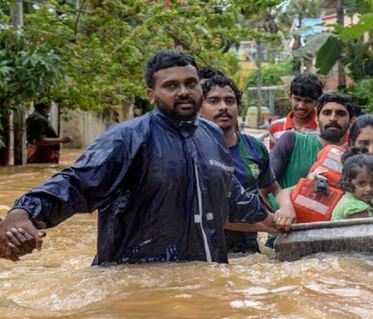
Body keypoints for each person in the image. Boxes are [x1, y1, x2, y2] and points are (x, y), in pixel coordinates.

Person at [0, 50, 286, 264]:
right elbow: (76, 183)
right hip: (136, 282)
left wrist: (274, 220)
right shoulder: (128, 139)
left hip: (204, 280)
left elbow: (230, 197)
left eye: (190, 83)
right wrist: (23, 213)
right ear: (151, 94)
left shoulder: (211, 136)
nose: (184, 91)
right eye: (171, 86)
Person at [199, 73, 284, 254]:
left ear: (238, 107)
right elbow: (206, 213)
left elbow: (272, 188)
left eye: (230, 101)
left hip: (250, 251)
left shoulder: (254, 147)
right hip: (208, 250)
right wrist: (266, 225)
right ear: (199, 108)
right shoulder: (192, 151)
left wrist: (286, 208)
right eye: (213, 101)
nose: (223, 107)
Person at [270, 92, 355, 190]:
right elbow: (265, 185)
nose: (333, 118)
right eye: (327, 113)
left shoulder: (353, 157)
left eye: (340, 114)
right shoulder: (292, 141)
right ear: (317, 118)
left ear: (351, 120)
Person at [268, 73, 324, 148]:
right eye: (297, 99)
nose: (301, 106)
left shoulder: (323, 128)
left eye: (308, 101)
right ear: (290, 97)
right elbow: (273, 157)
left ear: (317, 102)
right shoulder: (275, 126)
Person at [331, 150, 373, 220]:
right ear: (348, 183)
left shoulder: (369, 199)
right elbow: (369, 229)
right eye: (361, 184)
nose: (369, 189)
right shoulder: (354, 207)